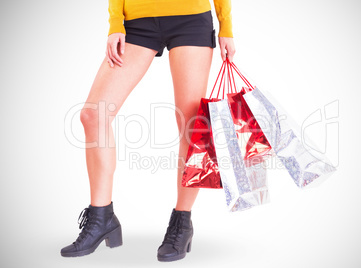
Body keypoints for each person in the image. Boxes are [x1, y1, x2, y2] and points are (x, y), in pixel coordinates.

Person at [60, 0, 235, 262]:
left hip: (190, 18)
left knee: (190, 126)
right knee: (93, 115)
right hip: (136, 22)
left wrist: (226, 27)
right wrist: (115, 23)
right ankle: (101, 217)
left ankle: (182, 222)